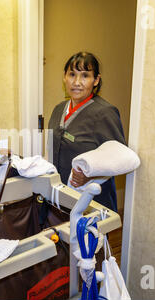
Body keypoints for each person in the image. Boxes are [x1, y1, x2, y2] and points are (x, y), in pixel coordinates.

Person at [48, 52, 126, 212]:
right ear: (64, 77)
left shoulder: (105, 113)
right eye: (72, 74)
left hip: (92, 200)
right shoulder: (58, 110)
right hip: (60, 197)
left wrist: (90, 175)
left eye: (85, 75)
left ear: (96, 80)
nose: (76, 82)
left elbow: (120, 158)